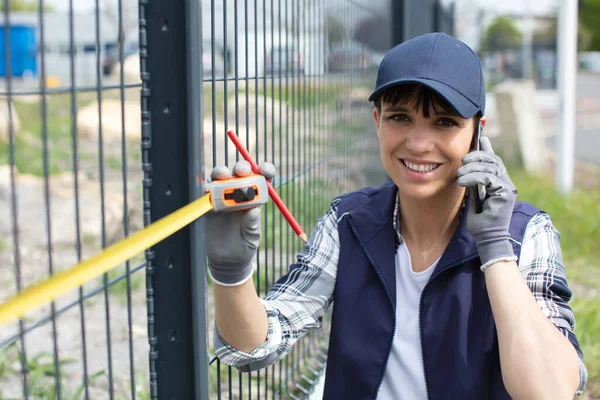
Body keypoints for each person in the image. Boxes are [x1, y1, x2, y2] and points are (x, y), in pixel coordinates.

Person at [204, 32, 587, 399]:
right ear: (376, 121)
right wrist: (232, 272)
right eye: (400, 117)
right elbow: (252, 349)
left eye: (445, 122)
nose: (419, 143)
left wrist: (496, 248)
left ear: (477, 133)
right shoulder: (349, 222)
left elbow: (550, 391)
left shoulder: (525, 234)